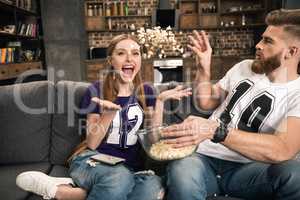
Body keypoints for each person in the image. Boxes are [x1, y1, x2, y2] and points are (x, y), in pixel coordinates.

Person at [16, 34, 192, 200]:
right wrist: (107, 115)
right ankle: (78, 189)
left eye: (135, 53)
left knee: (152, 187)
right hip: (93, 161)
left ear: (140, 60)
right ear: (110, 60)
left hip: (132, 168)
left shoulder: (147, 92)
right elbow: (92, 143)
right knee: (119, 177)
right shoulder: (96, 90)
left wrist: (160, 102)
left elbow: (153, 141)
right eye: (121, 53)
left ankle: (72, 192)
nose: (129, 59)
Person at [162, 9, 300, 200]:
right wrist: (203, 67)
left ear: (291, 52)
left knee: (295, 174)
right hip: (203, 157)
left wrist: (215, 130)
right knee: (183, 170)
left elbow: (283, 149)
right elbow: (206, 102)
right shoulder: (244, 67)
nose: (258, 45)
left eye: (268, 41)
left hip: (248, 170)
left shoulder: (297, 93)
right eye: (261, 39)